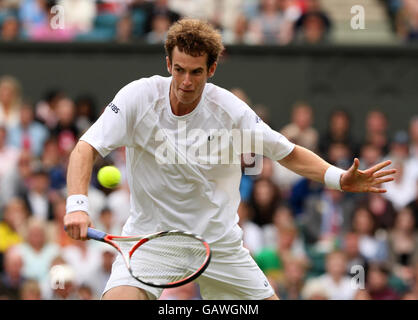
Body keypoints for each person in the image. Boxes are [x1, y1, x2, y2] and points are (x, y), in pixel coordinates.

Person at [64, 18, 396, 300]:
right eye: (178, 70)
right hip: (149, 241)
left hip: (218, 245)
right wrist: (77, 204)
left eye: (196, 72)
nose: (185, 82)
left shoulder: (230, 111)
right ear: (168, 64)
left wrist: (339, 178)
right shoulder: (137, 98)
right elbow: (85, 149)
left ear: (212, 68)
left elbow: (287, 153)